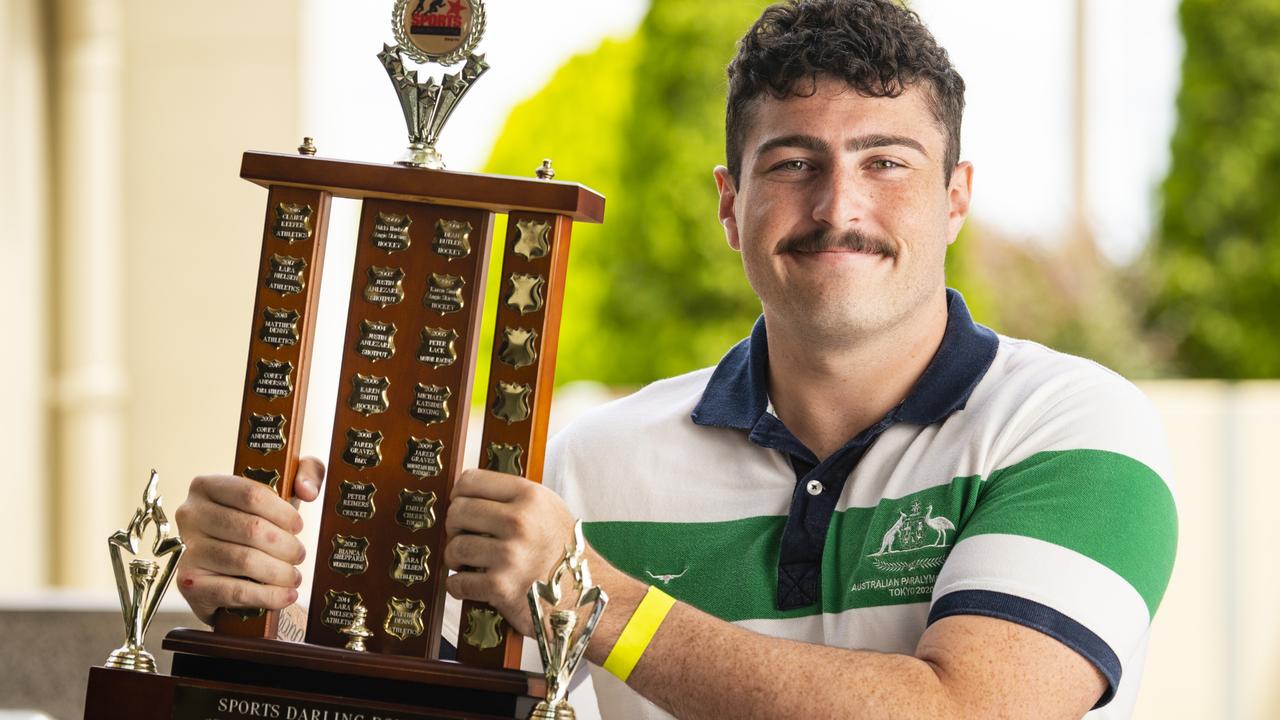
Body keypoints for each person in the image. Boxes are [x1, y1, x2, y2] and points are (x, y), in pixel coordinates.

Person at [175, 1, 1177, 717]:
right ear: (727, 204)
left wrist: (590, 599)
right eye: (791, 163)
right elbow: (455, 704)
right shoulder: (590, 463)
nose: (838, 207)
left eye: (886, 161)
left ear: (954, 195)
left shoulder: (1072, 429)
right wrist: (281, 611)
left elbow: (965, 713)